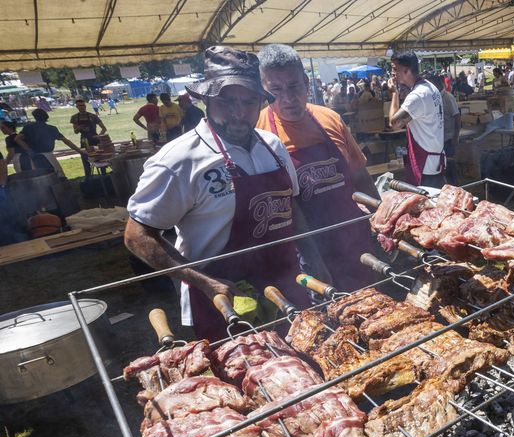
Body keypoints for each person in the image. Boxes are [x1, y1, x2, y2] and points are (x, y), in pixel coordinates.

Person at [124, 46, 308, 339]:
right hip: (222, 302)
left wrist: (317, 263)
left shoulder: (273, 147)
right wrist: (204, 282)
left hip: (287, 285)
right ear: (205, 99)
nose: (238, 113)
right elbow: (137, 236)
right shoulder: (179, 159)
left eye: (248, 102)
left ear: (261, 101)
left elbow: (293, 207)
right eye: (226, 101)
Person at [256, 43, 380, 291]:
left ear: (306, 81)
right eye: (276, 90)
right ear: (263, 90)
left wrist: (381, 220)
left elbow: (360, 175)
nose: (288, 99)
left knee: (373, 301)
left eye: (294, 86)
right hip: (308, 247)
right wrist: (311, 258)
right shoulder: (259, 133)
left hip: (352, 235)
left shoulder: (330, 118)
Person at [388, 51, 445, 187]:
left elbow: (394, 123)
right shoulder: (430, 87)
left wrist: (394, 94)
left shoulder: (417, 96)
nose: (392, 73)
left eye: (395, 69)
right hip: (434, 162)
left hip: (426, 166)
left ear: (407, 71)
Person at [18, 109, 85, 179]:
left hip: (34, 157)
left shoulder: (28, 127)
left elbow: (18, 139)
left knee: (39, 180)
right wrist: (79, 151)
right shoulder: (51, 128)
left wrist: (29, 150)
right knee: (59, 177)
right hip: (48, 156)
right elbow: (66, 141)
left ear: (35, 117)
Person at [426, 75, 460, 185]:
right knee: (442, 167)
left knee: (450, 166)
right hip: (438, 140)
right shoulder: (433, 98)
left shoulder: (448, 97)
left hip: (448, 138)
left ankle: (455, 186)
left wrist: (456, 136)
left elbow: (457, 117)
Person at [69, 96, 107, 180]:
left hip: (95, 139)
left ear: (85, 106)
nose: (82, 107)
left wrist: (99, 136)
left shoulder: (93, 116)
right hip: (84, 140)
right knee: (85, 159)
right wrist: (79, 128)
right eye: (79, 106)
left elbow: (104, 128)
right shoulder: (74, 117)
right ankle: (88, 177)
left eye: (83, 105)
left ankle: (104, 175)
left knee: (100, 158)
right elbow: (75, 131)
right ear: (77, 107)